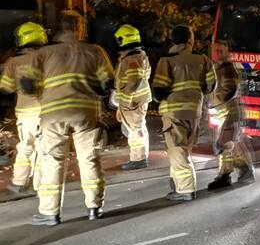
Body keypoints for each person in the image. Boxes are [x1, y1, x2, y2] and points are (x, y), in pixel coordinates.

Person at [20, 27, 114, 225]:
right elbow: (108, 84)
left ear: (57, 34)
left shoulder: (43, 54)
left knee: (53, 161)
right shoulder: (95, 51)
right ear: (79, 30)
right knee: (89, 160)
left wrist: (42, 92)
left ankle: (50, 213)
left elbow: (27, 85)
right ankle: (94, 208)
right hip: (86, 113)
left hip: (53, 115)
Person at [151, 25, 216, 201]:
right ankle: (177, 187)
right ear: (189, 40)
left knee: (177, 151)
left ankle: (186, 189)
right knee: (183, 150)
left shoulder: (167, 60)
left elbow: (158, 92)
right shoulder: (203, 59)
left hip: (174, 112)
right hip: (194, 112)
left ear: (173, 40)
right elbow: (211, 85)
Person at [0, 22, 47, 199]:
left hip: (27, 114)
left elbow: (6, 88)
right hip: (50, 111)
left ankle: (20, 182)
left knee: (26, 147)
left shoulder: (14, 62)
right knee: (44, 148)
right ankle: (41, 184)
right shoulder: (50, 58)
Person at [206, 39, 254, 190]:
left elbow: (231, 90)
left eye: (221, 51)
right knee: (232, 145)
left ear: (227, 53)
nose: (217, 53)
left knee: (224, 145)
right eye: (216, 50)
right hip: (223, 114)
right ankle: (245, 171)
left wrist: (216, 104)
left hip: (229, 114)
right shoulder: (216, 68)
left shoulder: (227, 69)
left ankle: (225, 176)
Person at [113, 24, 152, 170]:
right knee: (138, 127)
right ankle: (141, 156)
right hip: (137, 100)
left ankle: (138, 159)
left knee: (135, 129)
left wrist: (125, 100)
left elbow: (134, 80)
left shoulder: (130, 59)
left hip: (133, 101)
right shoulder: (139, 55)